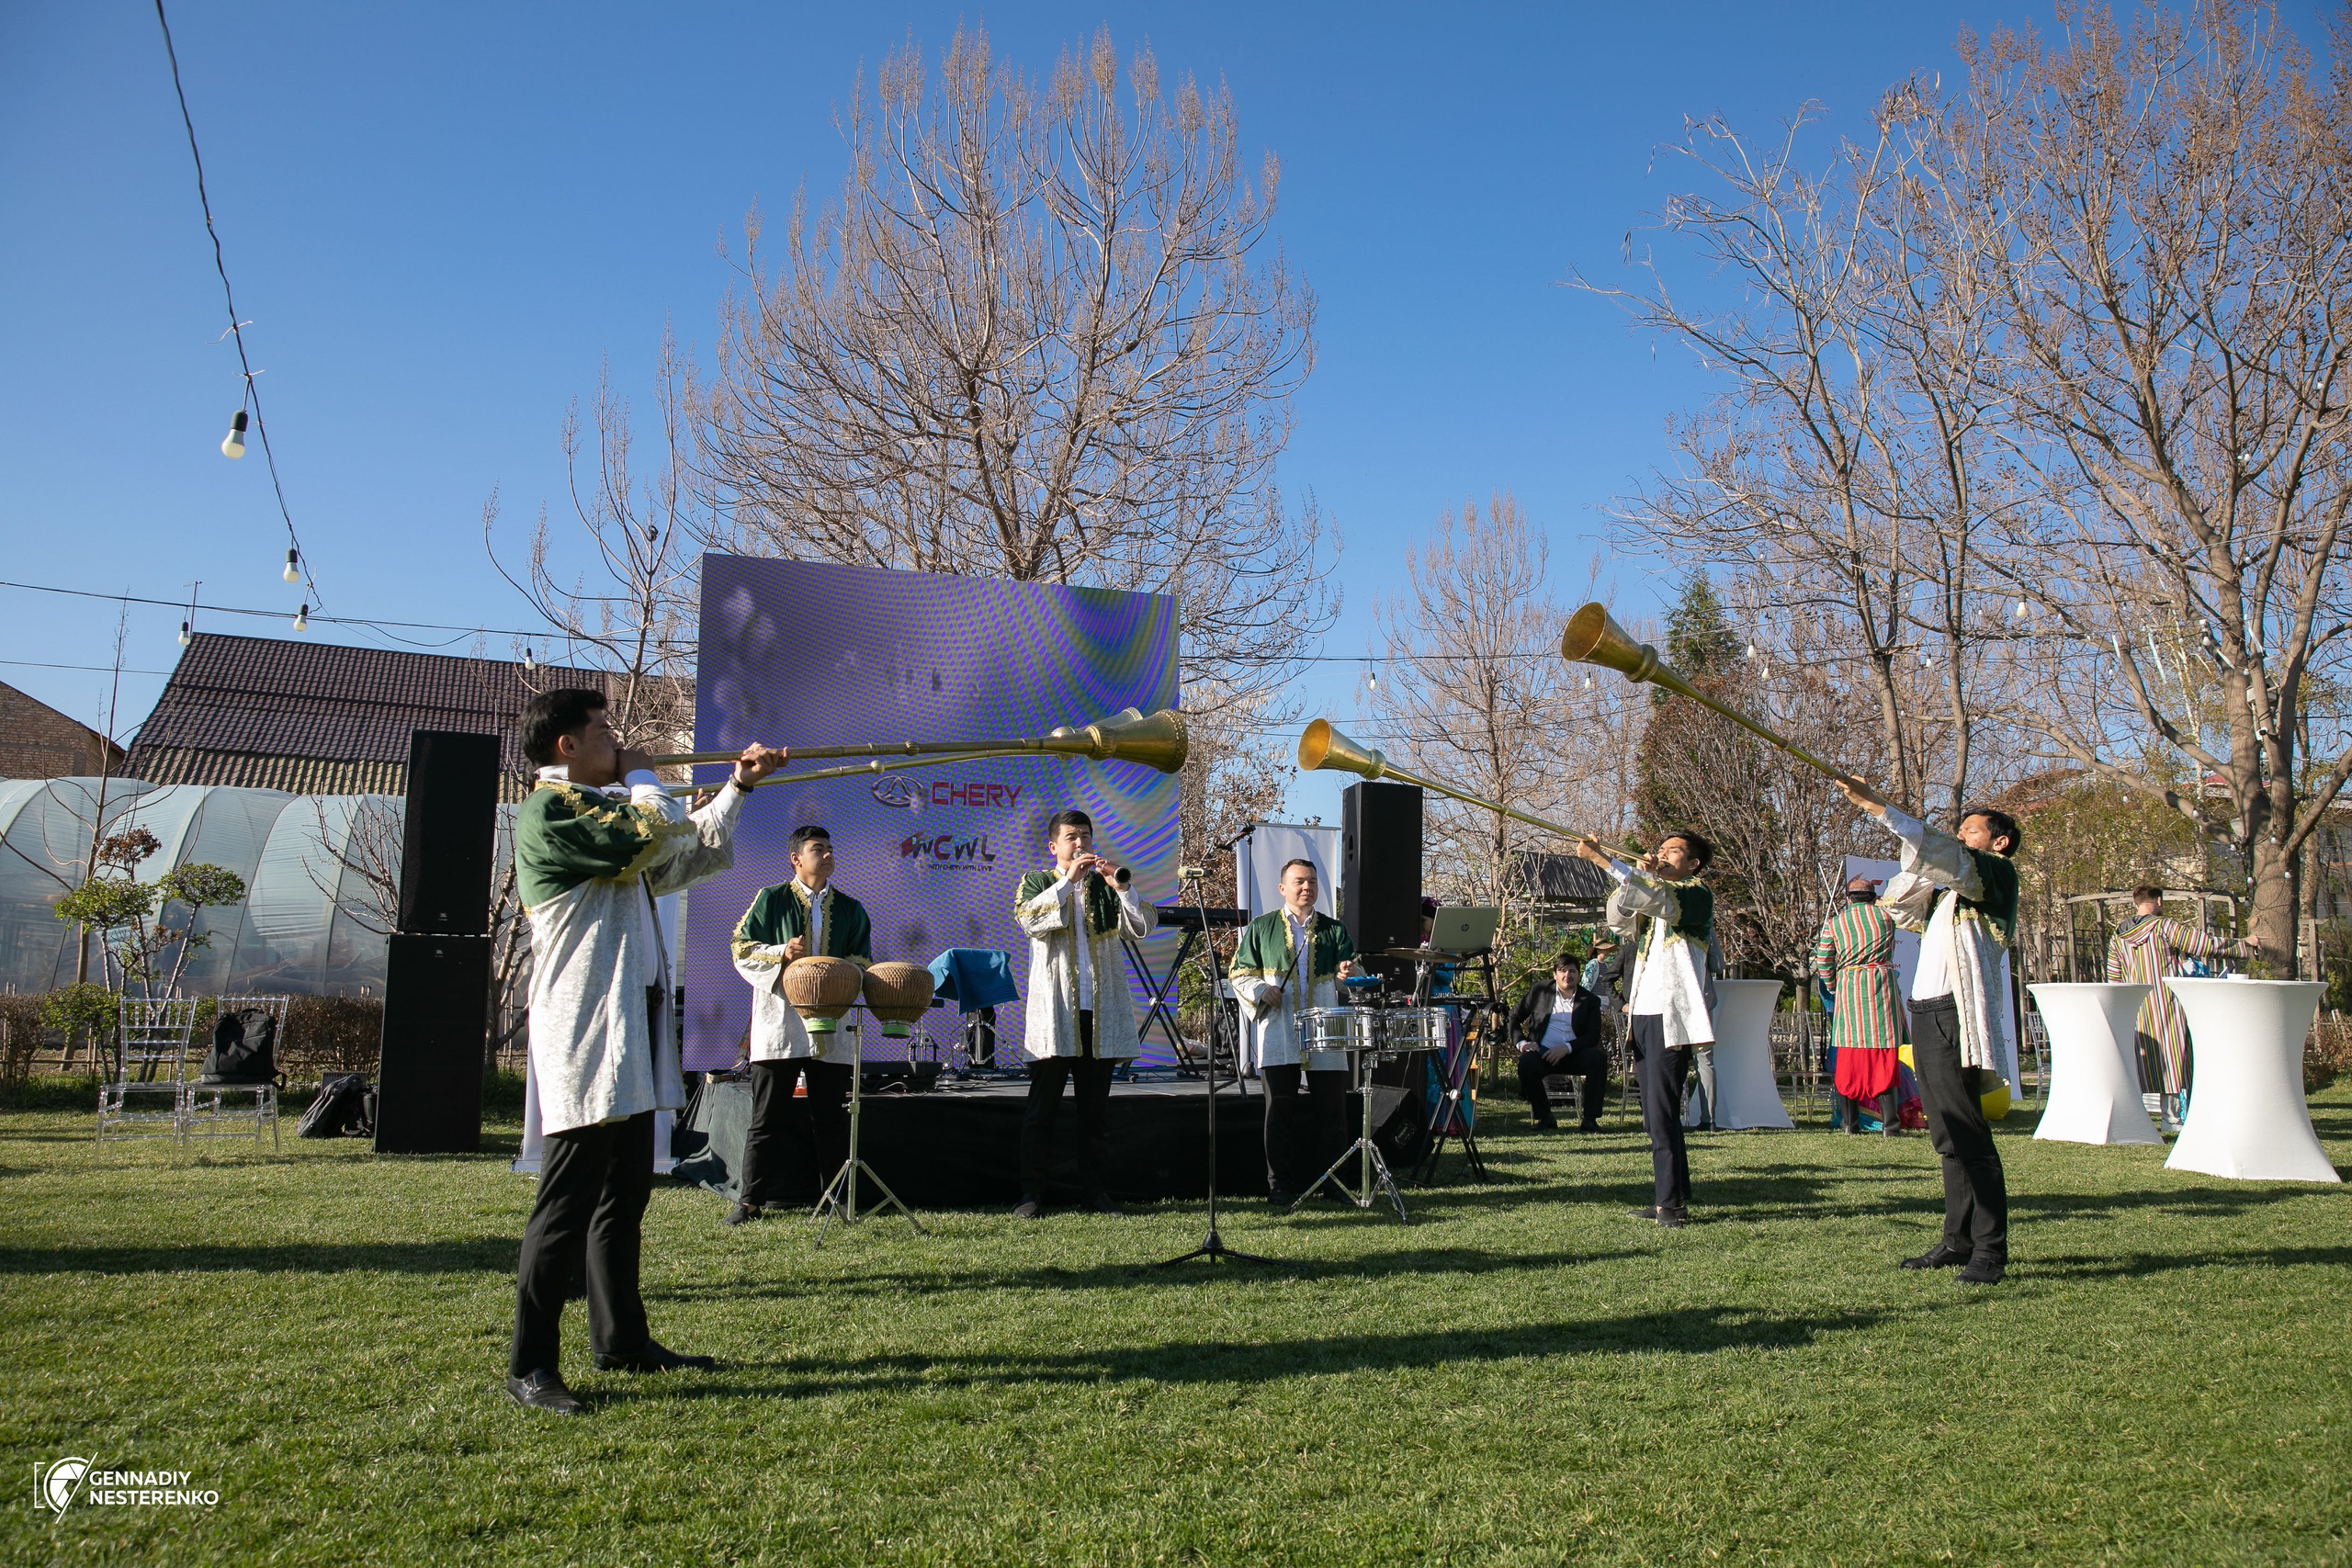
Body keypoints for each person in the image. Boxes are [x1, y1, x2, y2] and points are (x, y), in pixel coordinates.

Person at [506, 688, 783, 1416]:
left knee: (623, 1196)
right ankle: (530, 1362)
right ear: (565, 745)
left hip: (629, 1026)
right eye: (601, 730)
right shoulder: (553, 810)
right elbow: (646, 830)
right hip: (588, 1031)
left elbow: (682, 854)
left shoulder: (609, 808)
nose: (615, 738)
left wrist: (738, 787)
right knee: (564, 1203)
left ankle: (621, 1339)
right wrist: (644, 775)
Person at [1837, 778, 2020, 1286]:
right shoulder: (1952, 896)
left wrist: (1882, 809)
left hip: (1955, 1012)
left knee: (1969, 1131)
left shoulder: (1997, 876)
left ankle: (1989, 1248)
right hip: (1926, 1009)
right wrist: (1917, 871)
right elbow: (1898, 906)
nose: (1961, 836)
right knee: (1945, 1134)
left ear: (1998, 841)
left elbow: (1943, 855)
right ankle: (1956, 1240)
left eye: (1972, 829)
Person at [724, 825, 873, 1225]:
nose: (826, 854)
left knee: (830, 1118)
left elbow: (862, 961)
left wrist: (840, 974)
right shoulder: (770, 899)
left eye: (829, 848)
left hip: (832, 1026)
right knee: (767, 1118)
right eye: (817, 849)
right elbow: (740, 948)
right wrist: (781, 952)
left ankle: (836, 1198)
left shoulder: (851, 908)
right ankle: (750, 1201)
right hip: (780, 1024)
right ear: (796, 858)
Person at [1011, 809, 1156, 1217]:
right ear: (1053, 846)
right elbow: (1029, 921)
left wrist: (1123, 888)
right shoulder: (1037, 881)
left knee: (1095, 1114)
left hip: (1100, 1014)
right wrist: (1067, 881)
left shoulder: (1107, 885)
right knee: (1042, 1111)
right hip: (1056, 1016)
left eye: (1086, 837)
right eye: (1072, 837)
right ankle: (1030, 1195)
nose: (1081, 844)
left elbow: (1142, 927)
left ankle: (1094, 1193)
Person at [1577, 829, 1717, 1227]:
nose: (1663, 854)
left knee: (1661, 1114)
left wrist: (1606, 861)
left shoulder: (1696, 894)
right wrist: (1630, 873)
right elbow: (1618, 917)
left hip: (1669, 1017)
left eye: (1673, 851)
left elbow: (1658, 900)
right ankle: (1672, 1193)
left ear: (1693, 864)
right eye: (1662, 848)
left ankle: (1669, 1205)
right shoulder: (1657, 894)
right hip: (1644, 1014)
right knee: (1656, 1113)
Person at [1229, 858, 1360, 1203]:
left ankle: (1335, 1182)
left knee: (1333, 1112)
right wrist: (1261, 990)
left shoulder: (1334, 929)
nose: (1307, 887)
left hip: (1326, 1031)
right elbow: (1238, 973)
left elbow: (1354, 977)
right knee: (1279, 1111)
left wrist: (1349, 973)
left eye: (1313, 882)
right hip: (1279, 1030)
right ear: (1282, 888)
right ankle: (1280, 1186)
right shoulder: (1261, 927)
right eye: (1299, 881)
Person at [2105, 885, 2258, 1128]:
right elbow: (2203, 944)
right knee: (2173, 1056)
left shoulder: (2119, 935)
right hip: (2167, 1001)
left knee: (2139, 1060)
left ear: (2136, 903)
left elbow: (2113, 975)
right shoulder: (2164, 926)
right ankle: (2171, 1119)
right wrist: (2244, 944)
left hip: (2136, 1005)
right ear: (2158, 901)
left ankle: (2136, 1118)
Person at [1812, 874, 1906, 1137]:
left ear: (1848, 898)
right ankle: (1891, 1126)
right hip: (1882, 987)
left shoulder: (1835, 923)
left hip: (1850, 988)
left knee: (1849, 1057)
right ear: (1873, 897)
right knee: (1883, 1054)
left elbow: (1823, 961)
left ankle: (1849, 1125)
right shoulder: (1886, 918)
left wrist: (1833, 987)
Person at [1510, 952, 1607, 1132]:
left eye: (1572, 971)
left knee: (1598, 1060)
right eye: (1562, 971)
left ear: (1579, 975)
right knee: (1526, 1063)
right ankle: (1545, 1118)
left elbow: (1593, 1036)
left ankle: (1590, 1120)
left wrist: (1567, 1048)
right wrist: (1522, 1043)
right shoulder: (1539, 991)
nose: (1567, 975)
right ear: (1554, 974)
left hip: (1573, 1054)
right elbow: (1513, 1017)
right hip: (1542, 1054)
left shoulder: (1590, 1000)